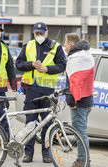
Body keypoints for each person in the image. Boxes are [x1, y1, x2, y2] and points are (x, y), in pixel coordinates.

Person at [16, 22, 66, 163]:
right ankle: (28, 154)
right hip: (31, 90)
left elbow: (62, 65)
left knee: (47, 125)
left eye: (41, 33)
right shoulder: (28, 46)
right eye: (36, 34)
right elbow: (18, 64)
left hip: (47, 91)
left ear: (47, 32)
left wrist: (47, 69)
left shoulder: (55, 47)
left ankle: (46, 153)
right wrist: (30, 65)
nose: (39, 36)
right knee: (30, 124)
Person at [64, 33, 94, 167]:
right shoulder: (86, 55)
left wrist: (71, 102)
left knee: (79, 133)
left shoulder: (75, 58)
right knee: (82, 131)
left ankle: (83, 160)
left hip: (79, 102)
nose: (64, 48)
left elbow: (74, 82)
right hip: (88, 99)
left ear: (71, 44)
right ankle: (85, 159)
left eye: (65, 45)